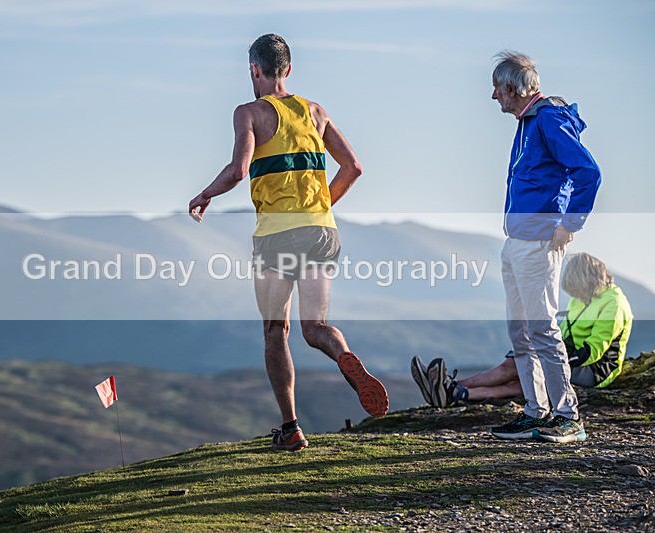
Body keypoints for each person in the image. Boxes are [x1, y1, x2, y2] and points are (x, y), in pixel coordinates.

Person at [188, 34, 388, 452]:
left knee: (275, 330)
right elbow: (353, 167)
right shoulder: (315, 111)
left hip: (277, 235)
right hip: (321, 230)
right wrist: (319, 207)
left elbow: (239, 171)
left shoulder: (249, 113)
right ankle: (344, 356)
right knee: (314, 328)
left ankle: (291, 427)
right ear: (289, 70)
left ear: (253, 70)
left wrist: (205, 193)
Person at [483, 51, 601, 442]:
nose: (494, 97)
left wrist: (570, 223)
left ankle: (568, 416)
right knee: (521, 332)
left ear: (513, 89)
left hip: (538, 242)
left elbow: (588, 171)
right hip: (516, 241)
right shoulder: (529, 122)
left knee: (542, 329)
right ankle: (537, 411)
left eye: (497, 89)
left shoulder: (548, 119)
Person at [412, 253, 633, 410]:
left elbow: (592, 351)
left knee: (527, 373)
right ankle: (453, 391)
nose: (576, 295)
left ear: (590, 281)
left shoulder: (614, 304)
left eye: (578, 289)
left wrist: (551, 361)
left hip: (596, 369)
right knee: (519, 366)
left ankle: (450, 390)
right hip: (572, 358)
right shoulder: (582, 298)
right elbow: (564, 332)